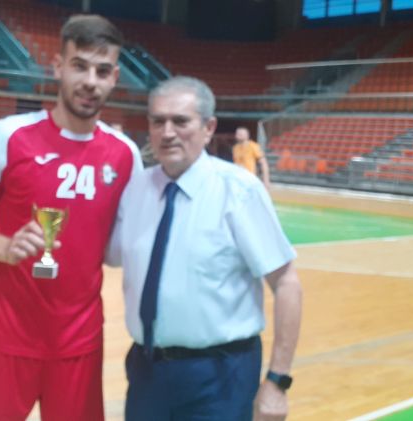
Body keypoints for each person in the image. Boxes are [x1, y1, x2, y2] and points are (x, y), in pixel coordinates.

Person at [0, 15, 140, 421]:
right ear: (58, 67)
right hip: (7, 334)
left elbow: (119, 248)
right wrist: (2, 249)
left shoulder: (125, 155)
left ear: (115, 78)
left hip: (79, 341)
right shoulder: (9, 136)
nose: (90, 81)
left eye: (102, 71)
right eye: (80, 66)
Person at [106, 77, 303, 421]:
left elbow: (287, 284)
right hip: (147, 370)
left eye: (180, 121)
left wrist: (277, 381)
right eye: (158, 121)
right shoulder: (135, 190)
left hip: (221, 375)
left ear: (208, 128)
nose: (168, 132)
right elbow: (109, 255)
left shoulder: (239, 191)